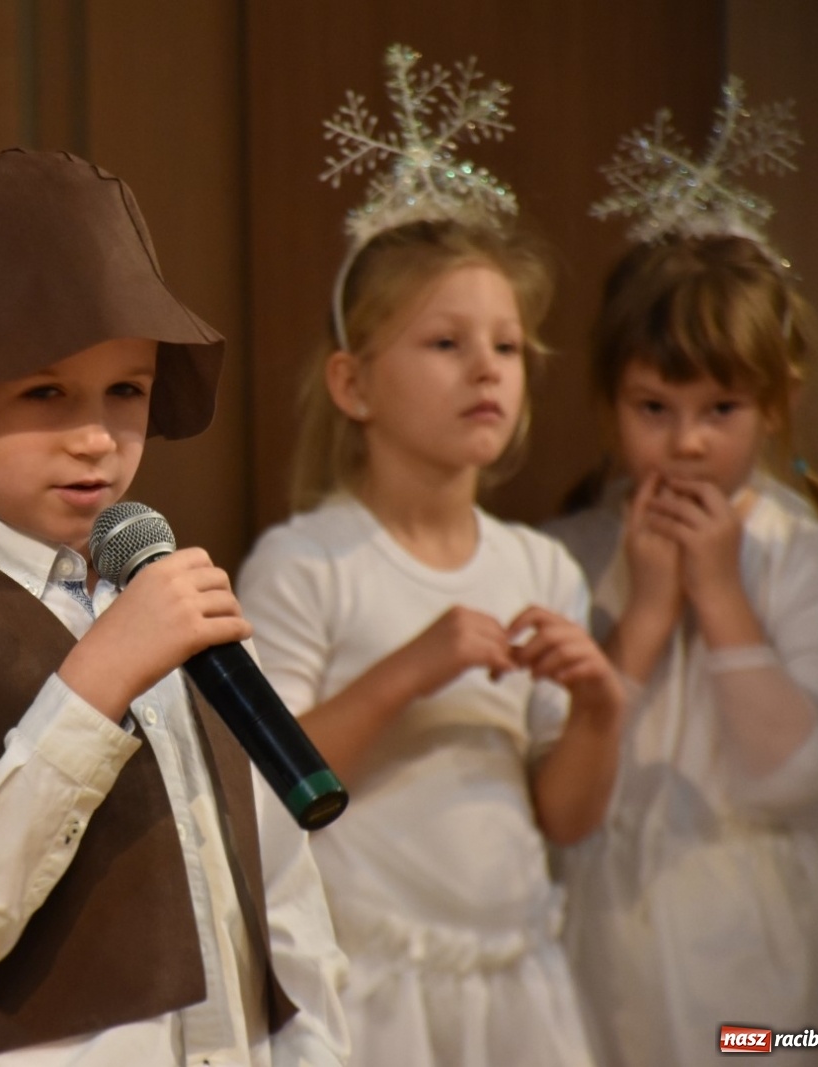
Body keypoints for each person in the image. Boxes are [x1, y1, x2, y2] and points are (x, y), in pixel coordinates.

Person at [0, 148, 350, 1067]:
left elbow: (278, 892)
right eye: (45, 391)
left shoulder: (156, 589)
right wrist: (98, 677)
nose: (95, 435)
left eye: (125, 391)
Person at [236, 46, 623, 1067]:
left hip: (515, 983)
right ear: (354, 384)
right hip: (373, 990)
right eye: (445, 343)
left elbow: (564, 815)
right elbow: (264, 786)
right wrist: (418, 663)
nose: (486, 367)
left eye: (506, 344)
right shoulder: (305, 560)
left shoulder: (540, 569)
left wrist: (598, 707)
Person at [543, 80, 818, 1066]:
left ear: (775, 406)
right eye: (653, 408)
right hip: (609, 925)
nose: (685, 443)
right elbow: (561, 776)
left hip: (766, 942)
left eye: (719, 410)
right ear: (610, 403)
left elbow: (801, 777)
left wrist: (722, 594)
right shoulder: (572, 553)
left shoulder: (806, 554)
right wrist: (646, 611)